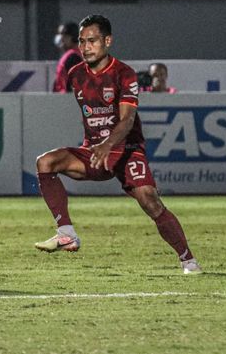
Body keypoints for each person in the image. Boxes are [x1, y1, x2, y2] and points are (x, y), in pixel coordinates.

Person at [34, 14, 201, 274]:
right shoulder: (75, 74)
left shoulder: (124, 74)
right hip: (95, 153)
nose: (85, 47)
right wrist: (95, 145)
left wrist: (107, 144)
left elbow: (127, 120)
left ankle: (188, 260)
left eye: (92, 41)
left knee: (150, 201)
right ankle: (66, 233)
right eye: (81, 41)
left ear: (107, 41)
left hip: (127, 150)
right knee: (46, 162)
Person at [52, 22, 83, 93]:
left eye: (63, 35)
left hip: (66, 100)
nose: (60, 39)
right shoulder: (70, 55)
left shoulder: (73, 57)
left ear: (72, 37)